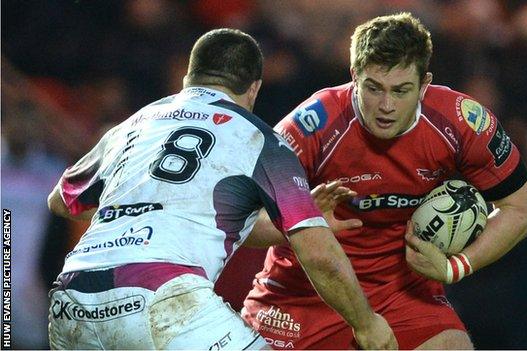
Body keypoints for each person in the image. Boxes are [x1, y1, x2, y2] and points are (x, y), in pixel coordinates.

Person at [46, 28, 397, 350]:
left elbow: (61, 201)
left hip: (71, 300)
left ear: (188, 77)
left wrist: (136, 211)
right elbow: (319, 254)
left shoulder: (132, 125)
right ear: (254, 87)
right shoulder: (260, 140)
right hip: (161, 297)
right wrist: (366, 323)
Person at [241, 13, 527, 349]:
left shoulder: (460, 122)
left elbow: (521, 207)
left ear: (424, 84)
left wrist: (457, 267)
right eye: (374, 88)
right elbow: (242, 222)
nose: (386, 105)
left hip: (401, 292)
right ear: (354, 76)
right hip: (303, 294)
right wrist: (299, 221)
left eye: (401, 90)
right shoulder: (310, 127)